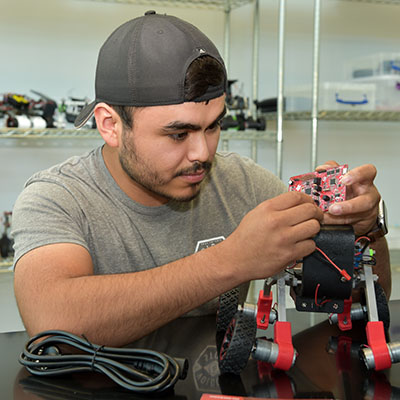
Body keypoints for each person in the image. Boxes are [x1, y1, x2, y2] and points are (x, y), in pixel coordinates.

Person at [12, 11, 390, 347]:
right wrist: (233, 260)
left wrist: (363, 229)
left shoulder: (241, 183)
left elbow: (362, 302)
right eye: (179, 134)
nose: (203, 153)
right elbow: (51, 323)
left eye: (214, 127)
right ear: (110, 125)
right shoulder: (57, 197)